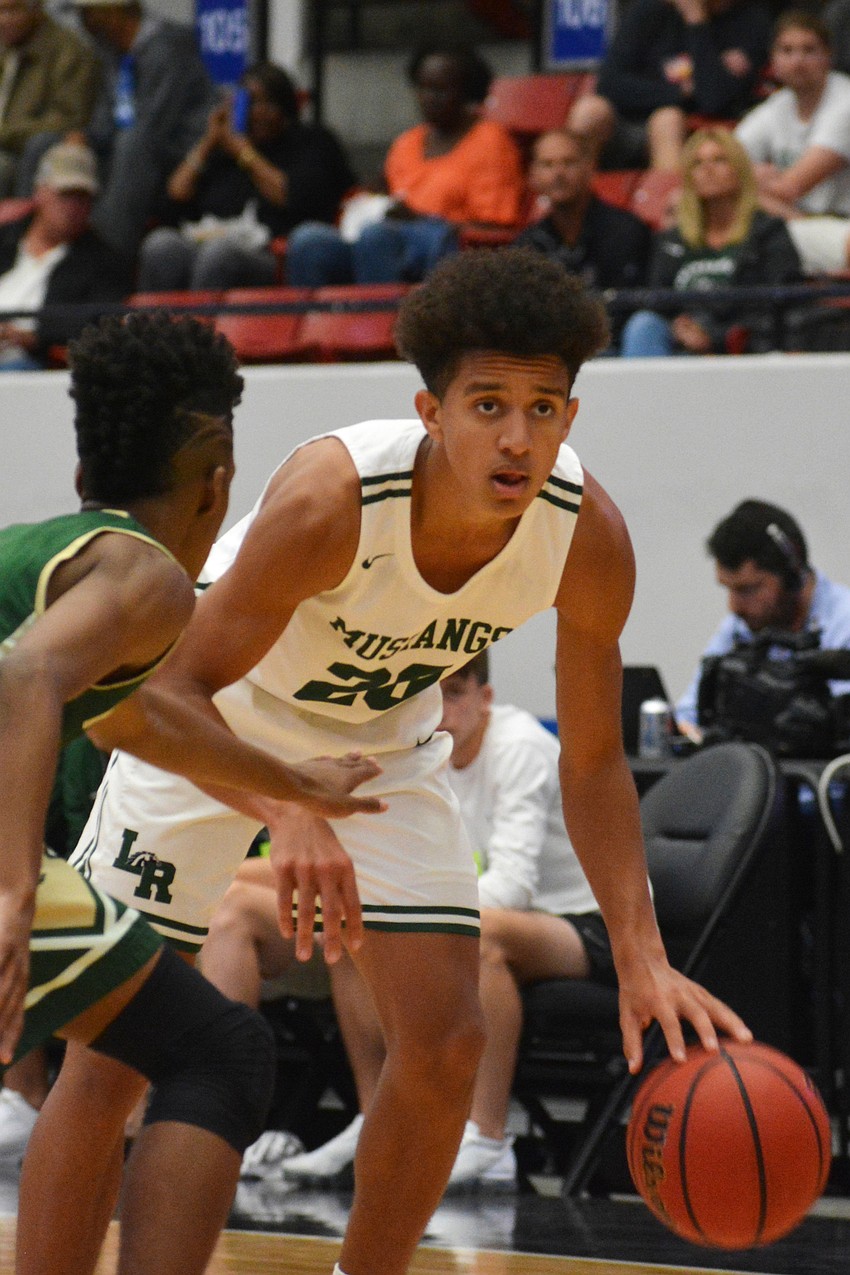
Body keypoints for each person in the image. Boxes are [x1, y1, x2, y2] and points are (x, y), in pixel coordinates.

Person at [41, 247, 749, 1275]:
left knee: (449, 1042)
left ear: (570, 420)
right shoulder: (332, 501)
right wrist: (285, 812)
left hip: (375, 747)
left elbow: (592, 761)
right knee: (111, 1059)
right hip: (209, 725)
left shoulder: (586, 536)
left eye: (542, 409)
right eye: (488, 405)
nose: (517, 437)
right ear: (431, 411)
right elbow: (160, 692)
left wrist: (638, 953)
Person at [0, 308, 384, 1275]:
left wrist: (295, 785)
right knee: (221, 1055)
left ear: (87, 471)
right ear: (218, 479)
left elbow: (129, 722)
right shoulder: (153, 576)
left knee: (146, 1038)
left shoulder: (65, 555)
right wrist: (11, 889)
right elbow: (21, 680)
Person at [271, 649, 617, 1191]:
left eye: (455, 692)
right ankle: (372, 1117)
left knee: (480, 937)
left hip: (587, 921)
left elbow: (516, 886)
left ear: (486, 699)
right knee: (350, 922)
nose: (441, 708)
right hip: (513, 915)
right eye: (432, 693)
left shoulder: (520, 747)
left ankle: (487, 1139)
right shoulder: (424, 754)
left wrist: (426, 918)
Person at [285, 43, 526, 287]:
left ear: (467, 93)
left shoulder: (491, 141)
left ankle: (382, 323)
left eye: (441, 90)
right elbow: (387, 192)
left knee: (376, 237)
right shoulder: (407, 141)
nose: (429, 98)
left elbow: (494, 225)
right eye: (423, 88)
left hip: (446, 247)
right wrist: (370, 199)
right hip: (385, 242)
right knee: (308, 239)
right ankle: (318, 324)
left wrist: (417, 219)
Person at [137, 61, 357, 293]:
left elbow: (291, 196)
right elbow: (175, 196)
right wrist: (208, 142)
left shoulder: (310, 142)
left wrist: (244, 153)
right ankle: (152, 328)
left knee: (220, 253)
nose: (257, 113)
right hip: (206, 241)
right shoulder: (222, 153)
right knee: (160, 245)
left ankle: (198, 328)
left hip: (270, 255)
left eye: (267, 104)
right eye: (249, 103)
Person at [675, 498, 850, 737]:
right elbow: (688, 716)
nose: (734, 606)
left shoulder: (845, 622)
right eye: (728, 589)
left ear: (792, 577)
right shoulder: (741, 625)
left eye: (748, 589)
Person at [619, 127, 801, 357]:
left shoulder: (768, 232)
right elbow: (658, 301)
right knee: (644, 325)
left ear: (739, 170)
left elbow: (778, 306)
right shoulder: (672, 239)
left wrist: (715, 338)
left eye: (719, 160)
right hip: (682, 348)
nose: (707, 169)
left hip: (746, 350)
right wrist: (681, 327)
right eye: (697, 163)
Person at [71, 0, 218, 259]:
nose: (82, 19)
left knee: (133, 143)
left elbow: (156, 125)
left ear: (114, 12)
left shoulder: (170, 46)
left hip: (178, 155)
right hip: (128, 149)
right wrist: (84, 138)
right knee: (50, 144)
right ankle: (29, 254)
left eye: (88, 11)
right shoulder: (109, 51)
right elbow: (107, 119)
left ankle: (106, 258)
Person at [567, 0, 772, 172]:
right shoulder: (650, 11)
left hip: (689, 131)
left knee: (666, 119)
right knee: (589, 110)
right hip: (626, 123)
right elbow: (609, 84)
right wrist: (682, 91)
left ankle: (665, 212)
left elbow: (714, 101)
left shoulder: (750, 23)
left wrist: (696, 22)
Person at [514, 128, 653, 349]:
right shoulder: (528, 244)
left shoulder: (627, 231)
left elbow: (635, 305)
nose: (558, 173)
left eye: (568, 163)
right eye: (547, 165)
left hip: (616, 353)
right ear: (533, 175)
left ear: (590, 167)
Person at [735, 10, 850, 275]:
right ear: (773, 60)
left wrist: (748, 179)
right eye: (787, 51)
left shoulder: (845, 102)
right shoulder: (777, 105)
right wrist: (753, 177)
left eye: (809, 50)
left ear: (828, 56)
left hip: (840, 225)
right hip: (795, 223)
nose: (798, 61)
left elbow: (790, 187)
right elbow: (725, 157)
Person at [0, 139, 131, 369]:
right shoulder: (5, 238)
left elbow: (96, 323)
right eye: (65, 194)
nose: (73, 207)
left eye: (82, 197)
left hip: (30, 362)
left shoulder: (103, 262)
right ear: (40, 192)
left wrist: (33, 339)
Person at [0, 0, 101, 196]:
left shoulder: (68, 52)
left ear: (35, 7)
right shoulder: (7, 47)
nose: (3, 19)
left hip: (26, 153)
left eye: (11, 10)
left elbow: (68, 121)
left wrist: (5, 133)